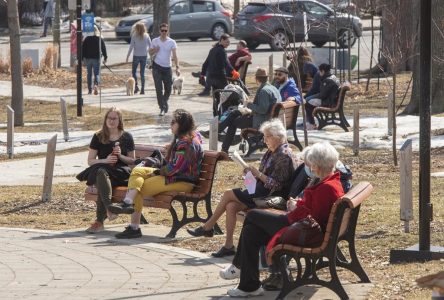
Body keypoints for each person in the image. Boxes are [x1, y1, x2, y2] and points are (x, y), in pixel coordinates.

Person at [219, 142, 344, 297]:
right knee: (251, 232)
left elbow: (313, 218)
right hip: (301, 226)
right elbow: (313, 210)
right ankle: (249, 286)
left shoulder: (327, 187)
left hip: (305, 232)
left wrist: (294, 208)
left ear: (318, 165)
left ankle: (238, 267)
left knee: (252, 215)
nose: (310, 168)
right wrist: (298, 204)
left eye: (311, 164)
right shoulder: (330, 181)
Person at [187, 119, 295, 258]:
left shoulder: (284, 155)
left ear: (277, 137)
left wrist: (258, 174)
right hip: (261, 191)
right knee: (231, 206)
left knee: (227, 194)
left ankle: (208, 227)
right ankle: (228, 246)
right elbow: (261, 180)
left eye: (267, 136)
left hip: (272, 198)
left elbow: (278, 186)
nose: (264, 140)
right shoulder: (271, 152)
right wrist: (249, 175)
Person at [109, 109, 203, 239]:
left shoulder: (185, 143)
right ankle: (128, 202)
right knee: (138, 171)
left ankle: (134, 227)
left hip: (182, 181)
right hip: (174, 177)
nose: (170, 125)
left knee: (138, 189)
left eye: (173, 122)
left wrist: (157, 172)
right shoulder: (187, 139)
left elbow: (174, 168)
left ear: (182, 124)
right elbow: (174, 165)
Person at [76, 107, 136, 234]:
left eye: (114, 118)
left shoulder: (126, 137)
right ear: (105, 120)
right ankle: (109, 209)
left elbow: (132, 161)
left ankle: (100, 220)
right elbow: (90, 160)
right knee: (101, 173)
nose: (111, 121)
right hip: (103, 170)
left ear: (120, 120)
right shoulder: (98, 136)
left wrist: (120, 156)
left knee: (99, 176)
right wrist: (105, 160)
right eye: (109, 118)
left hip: (120, 172)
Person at [218, 68, 280, 153]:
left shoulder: (264, 91)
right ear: (266, 78)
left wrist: (248, 104)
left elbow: (262, 110)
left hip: (261, 121)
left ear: (256, 79)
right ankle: (219, 130)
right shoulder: (273, 88)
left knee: (232, 122)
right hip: (266, 118)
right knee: (235, 113)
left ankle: (223, 146)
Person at [200, 34, 240, 115]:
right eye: (227, 41)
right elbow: (226, 63)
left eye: (229, 42)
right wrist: (234, 72)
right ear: (221, 40)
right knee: (227, 96)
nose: (228, 43)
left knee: (216, 98)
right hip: (220, 78)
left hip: (211, 79)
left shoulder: (212, 50)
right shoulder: (222, 50)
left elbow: (205, 63)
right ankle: (225, 115)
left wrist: (202, 75)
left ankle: (216, 114)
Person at [149, 23, 180, 116]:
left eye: (165, 31)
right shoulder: (155, 41)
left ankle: (164, 101)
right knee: (159, 89)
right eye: (162, 30)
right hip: (156, 67)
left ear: (168, 31)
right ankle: (162, 107)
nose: (163, 32)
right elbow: (150, 52)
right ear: (159, 31)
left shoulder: (172, 42)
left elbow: (175, 55)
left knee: (169, 88)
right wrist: (155, 50)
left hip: (167, 68)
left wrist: (177, 67)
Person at [305, 63, 340, 130]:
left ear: (323, 71)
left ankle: (311, 124)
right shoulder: (333, 77)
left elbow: (322, 95)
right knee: (309, 100)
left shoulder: (327, 80)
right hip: (332, 100)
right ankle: (310, 122)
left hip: (329, 102)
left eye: (319, 71)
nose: (319, 73)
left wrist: (310, 97)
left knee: (307, 103)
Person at [126, 23, 152, 95]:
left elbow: (131, 47)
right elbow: (151, 46)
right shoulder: (147, 36)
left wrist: (127, 56)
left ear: (136, 28)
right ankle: (143, 89)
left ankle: (136, 87)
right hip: (144, 56)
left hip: (136, 56)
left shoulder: (134, 36)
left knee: (134, 72)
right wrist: (151, 56)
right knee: (142, 73)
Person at [82, 25, 108, 95]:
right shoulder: (99, 39)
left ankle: (89, 90)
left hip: (88, 59)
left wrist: (82, 58)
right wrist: (105, 57)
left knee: (89, 74)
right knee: (96, 73)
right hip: (96, 58)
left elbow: (83, 49)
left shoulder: (87, 39)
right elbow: (103, 48)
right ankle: (96, 85)